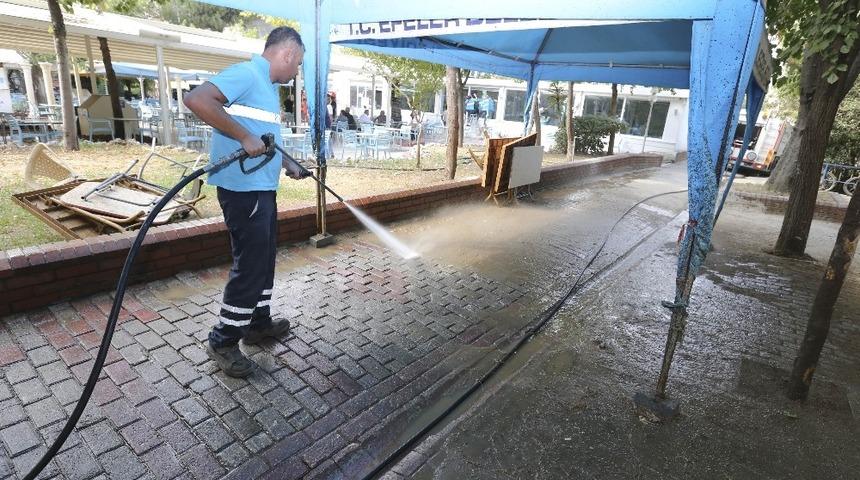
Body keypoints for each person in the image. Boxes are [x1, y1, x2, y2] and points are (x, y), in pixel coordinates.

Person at [183, 26, 308, 378]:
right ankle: (222, 341)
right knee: (250, 265)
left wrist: (287, 162)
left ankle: (257, 322)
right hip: (243, 191)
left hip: (261, 188)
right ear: (287, 53)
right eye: (298, 63)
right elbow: (196, 99)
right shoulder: (248, 74)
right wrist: (243, 136)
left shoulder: (266, 87)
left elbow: (265, 140)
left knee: (264, 260)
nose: (296, 70)